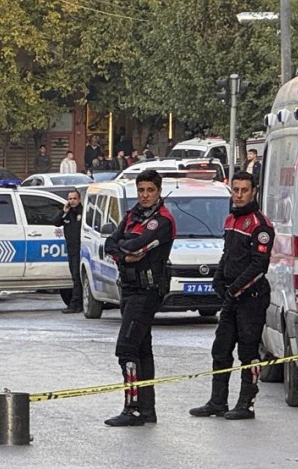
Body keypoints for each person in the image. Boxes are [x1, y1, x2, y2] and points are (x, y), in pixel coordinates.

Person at [191, 173, 272, 420]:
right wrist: (218, 278)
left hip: (252, 296)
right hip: (231, 297)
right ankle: (217, 402)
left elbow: (259, 265)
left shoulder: (260, 224)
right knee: (221, 349)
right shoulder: (231, 219)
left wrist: (235, 287)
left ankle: (246, 404)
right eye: (235, 190)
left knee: (248, 353)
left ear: (254, 191)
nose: (239, 195)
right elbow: (228, 254)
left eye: (244, 190)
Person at [103, 169, 175, 427]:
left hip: (147, 290)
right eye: (141, 190)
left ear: (158, 190)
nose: (145, 195)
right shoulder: (133, 215)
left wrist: (123, 249)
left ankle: (132, 408)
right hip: (129, 287)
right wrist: (123, 253)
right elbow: (110, 243)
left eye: (150, 190)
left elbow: (138, 246)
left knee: (126, 348)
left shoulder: (162, 221)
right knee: (142, 349)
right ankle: (146, 410)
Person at [55, 189, 84, 314]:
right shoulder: (68, 213)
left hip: (81, 249)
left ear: (79, 199)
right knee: (74, 276)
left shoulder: (83, 212)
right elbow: (55, 223)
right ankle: (78, 303)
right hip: (71, 249)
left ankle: (76, 304)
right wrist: (64, 211)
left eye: (74, 198)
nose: (72, 201)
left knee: (78, 277)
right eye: (70, 199)